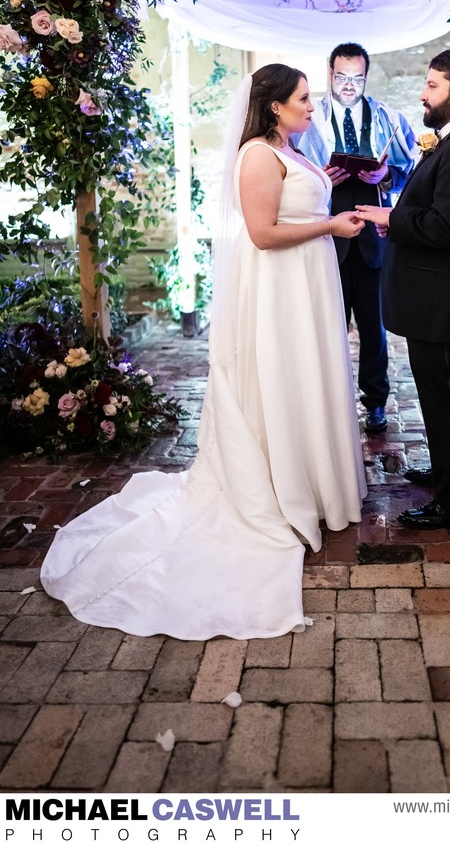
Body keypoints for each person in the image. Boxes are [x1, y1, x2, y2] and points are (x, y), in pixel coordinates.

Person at [41, 64, 368, 640]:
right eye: (303, 99)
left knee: (308, 380)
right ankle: (277, 482)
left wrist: (326, 212)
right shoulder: (256, 156)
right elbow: (264, 233)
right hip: (280, 288)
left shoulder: (288, 148)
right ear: (274, 106)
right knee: (280, 379)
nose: (312, 107)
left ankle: (314, 479)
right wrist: (329, 227)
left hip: (306, 283)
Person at [357, 48, 450, 530]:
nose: (423, 93)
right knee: (441, 400)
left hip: (446, 303)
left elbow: (448, 227)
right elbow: (437, 213)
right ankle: (448, 472)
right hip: (437, 300)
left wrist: (391, 218)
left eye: (432, 85)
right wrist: (399, 224)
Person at [295, 42, 416, 435]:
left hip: (371, 236)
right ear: (329, 74)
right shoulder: (308, 117)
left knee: (373, 327)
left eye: (358, 78)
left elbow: (410, 171)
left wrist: (387, 177)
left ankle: (375, 402)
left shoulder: (388, 118)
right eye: (343, 77)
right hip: (327, 234)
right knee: (327, 326)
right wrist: (320, 180)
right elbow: (291, 171)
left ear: (367, 76)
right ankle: (329, 404)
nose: (350, 85)